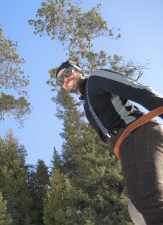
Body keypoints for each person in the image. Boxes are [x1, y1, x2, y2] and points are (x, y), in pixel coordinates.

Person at [55, 60, 163, 225]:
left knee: (147, 198)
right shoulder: (87, 103)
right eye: (60, 80)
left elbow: (136, 89)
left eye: (67, 72)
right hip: (126, 146)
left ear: (78, 70)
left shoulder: (96, 79)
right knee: (138, 208)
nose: (65, 79)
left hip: (138, 132)